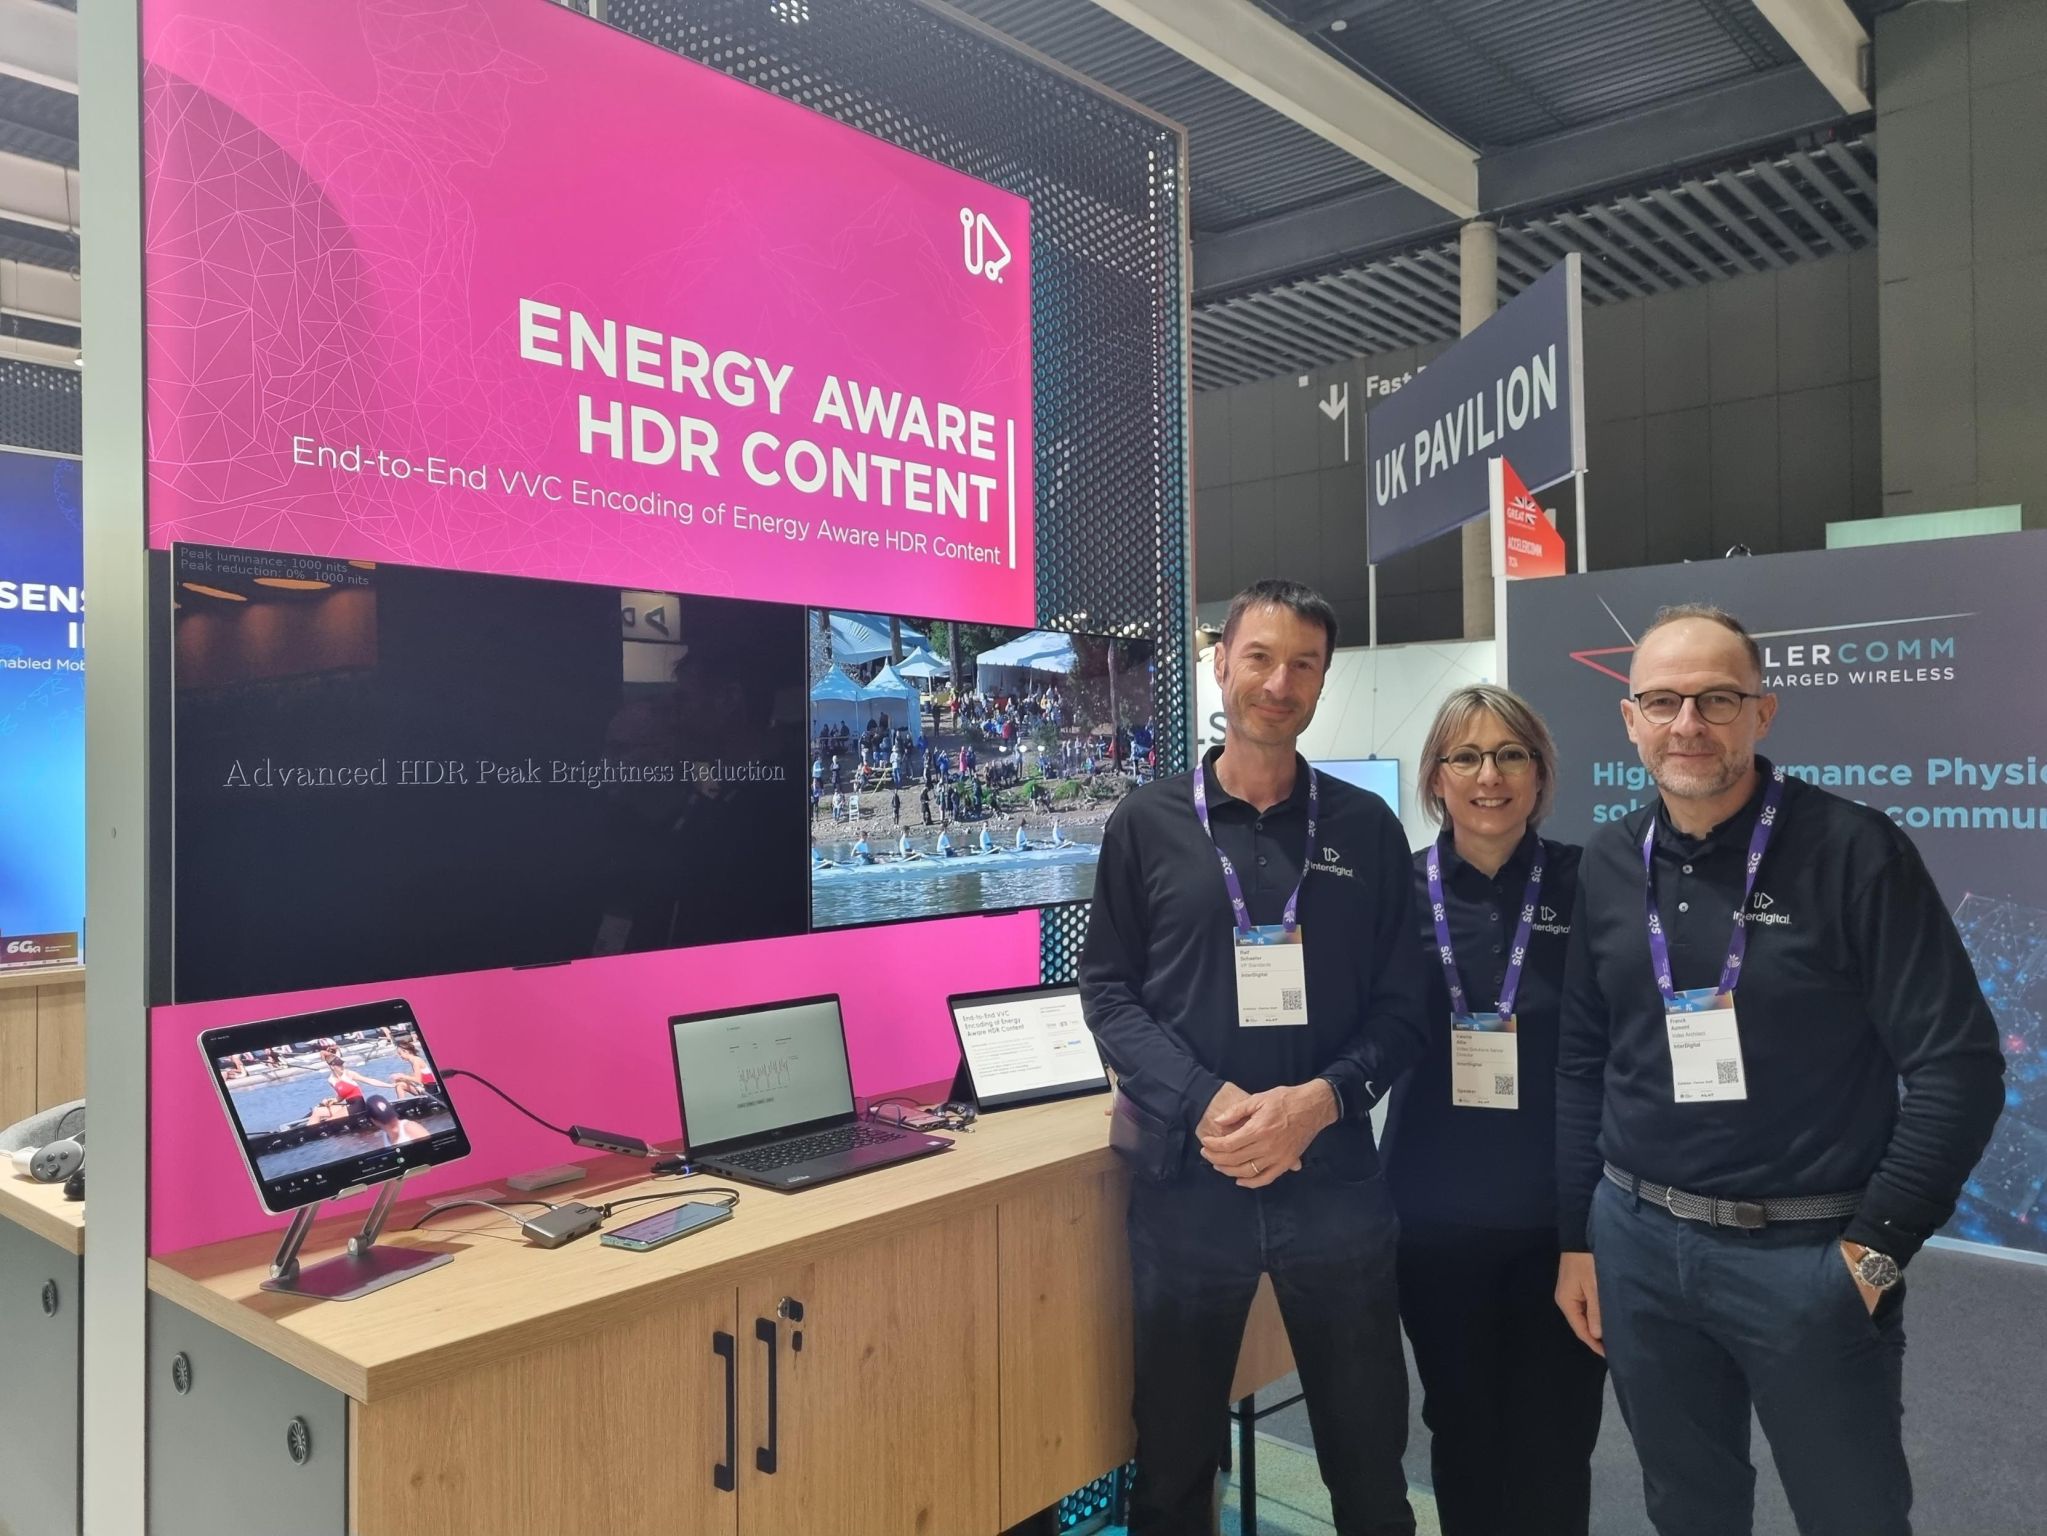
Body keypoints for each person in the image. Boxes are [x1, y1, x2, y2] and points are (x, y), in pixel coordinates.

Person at [1555, 603, 2006, 1536]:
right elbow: (1582, 1061)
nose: (1688, 724)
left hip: (1803, 1257)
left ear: (1761, 713)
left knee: (1851, 1513)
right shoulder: (1607, 861)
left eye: (1716, 699)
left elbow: (1957, 1068)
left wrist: (1873, 1254)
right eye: (1662, 701)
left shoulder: (1854, 851)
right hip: (1635, 1243)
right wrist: (1578, 1237)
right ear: (1630, 719)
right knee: (1687, 1507)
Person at [1080, 579, 1430, 1536]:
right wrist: (1204, 1101)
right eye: (1260, 659)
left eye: (1303, 665)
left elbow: (1405, 1008)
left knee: (1369, 1470)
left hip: (1336, 1185)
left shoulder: (1364, 827)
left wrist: (1316, 1103)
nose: (1279, 684)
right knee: (1170, 1470)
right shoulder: (1146, 823)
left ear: (1322, 679)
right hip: (1189, 1186)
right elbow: (1108, 994)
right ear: (1219, 664)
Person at [1378, 686, 1604, 1536]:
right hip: (1431, 1221)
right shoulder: (1394, 892)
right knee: (1461, 1431)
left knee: (1557, 1441)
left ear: (1539, 774)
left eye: (1510, 755)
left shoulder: (1590, 885)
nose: (1488, 776)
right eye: (1465, 756)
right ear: (1436, 776)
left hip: (1564, 1225)